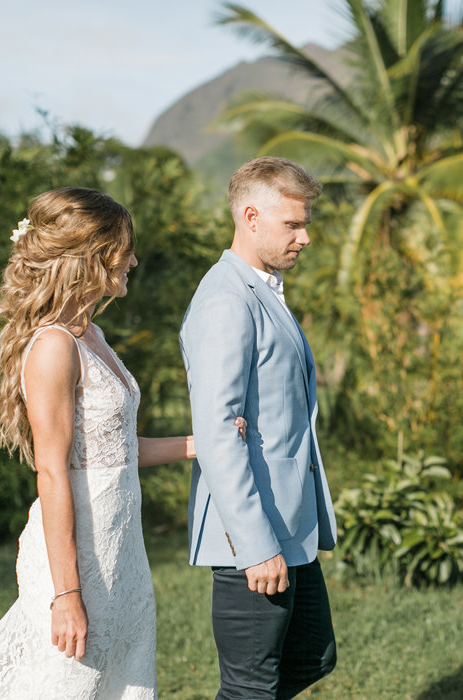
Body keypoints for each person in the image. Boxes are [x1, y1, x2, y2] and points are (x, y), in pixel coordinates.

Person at [0, 187, 243, 699]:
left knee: (121, 684)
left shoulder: (90, 333)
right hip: (78, 559)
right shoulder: (53, 346)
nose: (133, 259)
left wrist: (201, 442)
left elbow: (115, 453)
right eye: (123, 249)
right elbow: (52, 472)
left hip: (123, 552)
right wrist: (66, 593)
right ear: (89, 256)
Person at [179, 157, 338, 699]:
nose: (306, 237)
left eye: (305, 222)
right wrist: (254, 544)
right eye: (293, 224)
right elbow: (219, 431)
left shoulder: (262, 290)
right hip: (251, 534)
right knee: (250, 689)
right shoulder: (226, 300)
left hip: (290, 526)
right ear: (251, 217)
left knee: (313, 656)